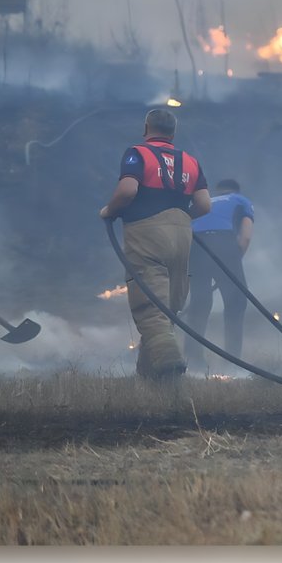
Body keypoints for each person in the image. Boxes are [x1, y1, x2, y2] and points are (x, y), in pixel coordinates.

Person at [100, 108, 211, 382]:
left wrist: (109, 211)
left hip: (146, 231)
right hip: (182, 234)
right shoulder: (191, 161)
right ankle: (150, 381)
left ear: (145, 128)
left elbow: (127, 190)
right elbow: (205, 205)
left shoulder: (137, 153)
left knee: (150, 307)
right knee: (169, 307)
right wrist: (181, 218)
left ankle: (171, 365)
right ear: (173, 134)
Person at [184, 178, 255, 372]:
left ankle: (193, 360)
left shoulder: (207, 202)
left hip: (195, 245)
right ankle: (232, 362)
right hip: (223, 243)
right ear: (236, 190)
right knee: (236, 301)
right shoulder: (241, 201)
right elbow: (246, 235)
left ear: (217, 191)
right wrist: (234, 260)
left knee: (200, 302)